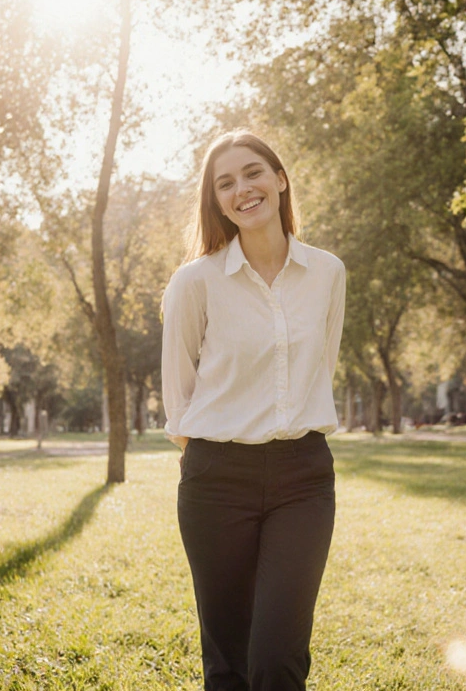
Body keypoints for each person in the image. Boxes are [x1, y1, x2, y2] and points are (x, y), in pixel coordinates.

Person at [161, 130, 345, 690]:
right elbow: (179, 392)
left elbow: (322, 365)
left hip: (303, 478)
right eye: (226, 182)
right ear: (216, 201)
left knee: (277, 657)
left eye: (253, 172)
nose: (243, 188)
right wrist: (210, 458)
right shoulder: (195, 282)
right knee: (229, 662)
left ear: (280, 179)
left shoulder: (328, 273)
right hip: (217, 478)